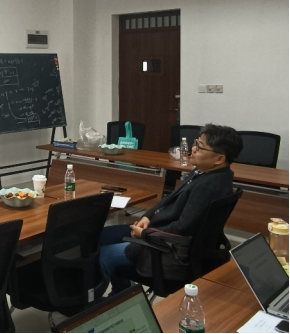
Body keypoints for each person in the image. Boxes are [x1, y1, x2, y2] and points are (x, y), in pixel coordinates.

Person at [98, 123, 243, 294]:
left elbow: (183, 227)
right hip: (159, 232)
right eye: (196, 143)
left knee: (101, 255)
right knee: (98, 237)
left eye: (200, 147)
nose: (193, 149)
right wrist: (147, 216)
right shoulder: (206, 173)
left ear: (219, 159)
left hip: (166, 246)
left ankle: (104, 301)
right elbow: (169, 199)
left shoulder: (209, 186)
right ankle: (121, 294)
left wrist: (145, 233)